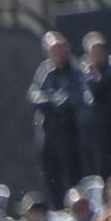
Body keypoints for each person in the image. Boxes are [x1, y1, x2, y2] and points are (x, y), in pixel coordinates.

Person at [31, 33, 84, 206]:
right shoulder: (45, 71)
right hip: (48, 133)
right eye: (52, 50)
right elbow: (34, 97)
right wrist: (52, 99)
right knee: (51, 177)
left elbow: (70, 99)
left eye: (59, 49)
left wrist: (51, 100)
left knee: (73, 176)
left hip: (70, 133)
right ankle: (56, 208)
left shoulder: (76, 70)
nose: (57, 54)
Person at [79, 33, 111, 180]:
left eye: (100, 50)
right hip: (93, 135)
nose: (97, 55)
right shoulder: (82, 76)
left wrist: (90, 74)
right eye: (93, 52)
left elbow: (98, 90)